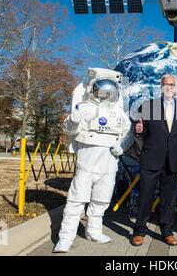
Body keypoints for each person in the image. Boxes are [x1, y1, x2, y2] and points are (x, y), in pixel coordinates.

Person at [53, 68, 131, 253]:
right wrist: (74, 119)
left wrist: (122, 147)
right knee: (76, 200)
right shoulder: (86, 107)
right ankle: (65, 238)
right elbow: (70, 129)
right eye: (103, 89)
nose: (106, 93)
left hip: (109, 161)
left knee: (101, 200)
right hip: (88, 160)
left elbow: (127, 131)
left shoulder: (117, 111)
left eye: (110, 90)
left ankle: (94, 231)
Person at [131, 74, 177, 247]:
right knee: (146, 196)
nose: (169, 87)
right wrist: (139, 131)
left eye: (172, 84)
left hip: (173, 160)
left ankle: (167, 231)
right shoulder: (149, 106)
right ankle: (139, 230)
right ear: (160, 86)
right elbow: (140, 133)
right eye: (166, 84)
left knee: (169, 199)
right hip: (151, 159)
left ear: (176, 87)